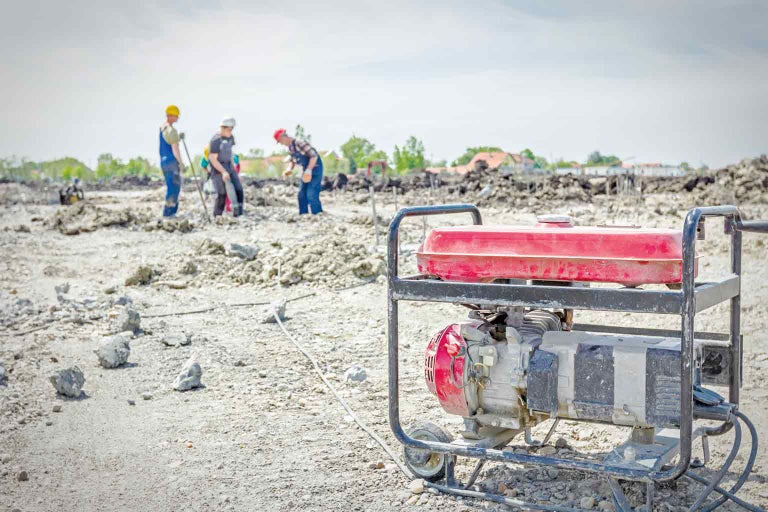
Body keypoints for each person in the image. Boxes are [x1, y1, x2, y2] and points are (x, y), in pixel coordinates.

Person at [274, 128, 323, 215]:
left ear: (283, 137)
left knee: (311, 193)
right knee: (301, 194)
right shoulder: (290, 147)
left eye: (280, 141)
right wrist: (289, 169)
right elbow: (293, 161)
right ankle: (304, 215)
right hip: (306, 170)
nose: (281, 144)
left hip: (315, 169)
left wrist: (309, 170)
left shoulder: (299, 143)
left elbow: (313, 156)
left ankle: (317, 215)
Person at [209, 118, 243, 217]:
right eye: (229, 129)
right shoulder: (215, 140)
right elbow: (213, 159)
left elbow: (230, 154)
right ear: (223, 128)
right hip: (218, 168)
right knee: (222, 193)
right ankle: (217, 216)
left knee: (238, 188)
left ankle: (238, 214)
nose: (231, 131)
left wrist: (234, 170)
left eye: (232, 129)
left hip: (229, 166)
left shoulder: (230, 138)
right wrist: (223, 172)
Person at [159, 105, 185, 217]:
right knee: (175, 187)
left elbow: (168, 141)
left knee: (172, 186)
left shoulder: (163, 127)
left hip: (164, 162)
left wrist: (178, 138)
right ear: (171, 115)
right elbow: (175, 148)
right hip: (171, 162)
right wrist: (180, 162)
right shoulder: (171, 130)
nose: (178, 117)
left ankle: (169, 212)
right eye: (176, 115)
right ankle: (169, 213)